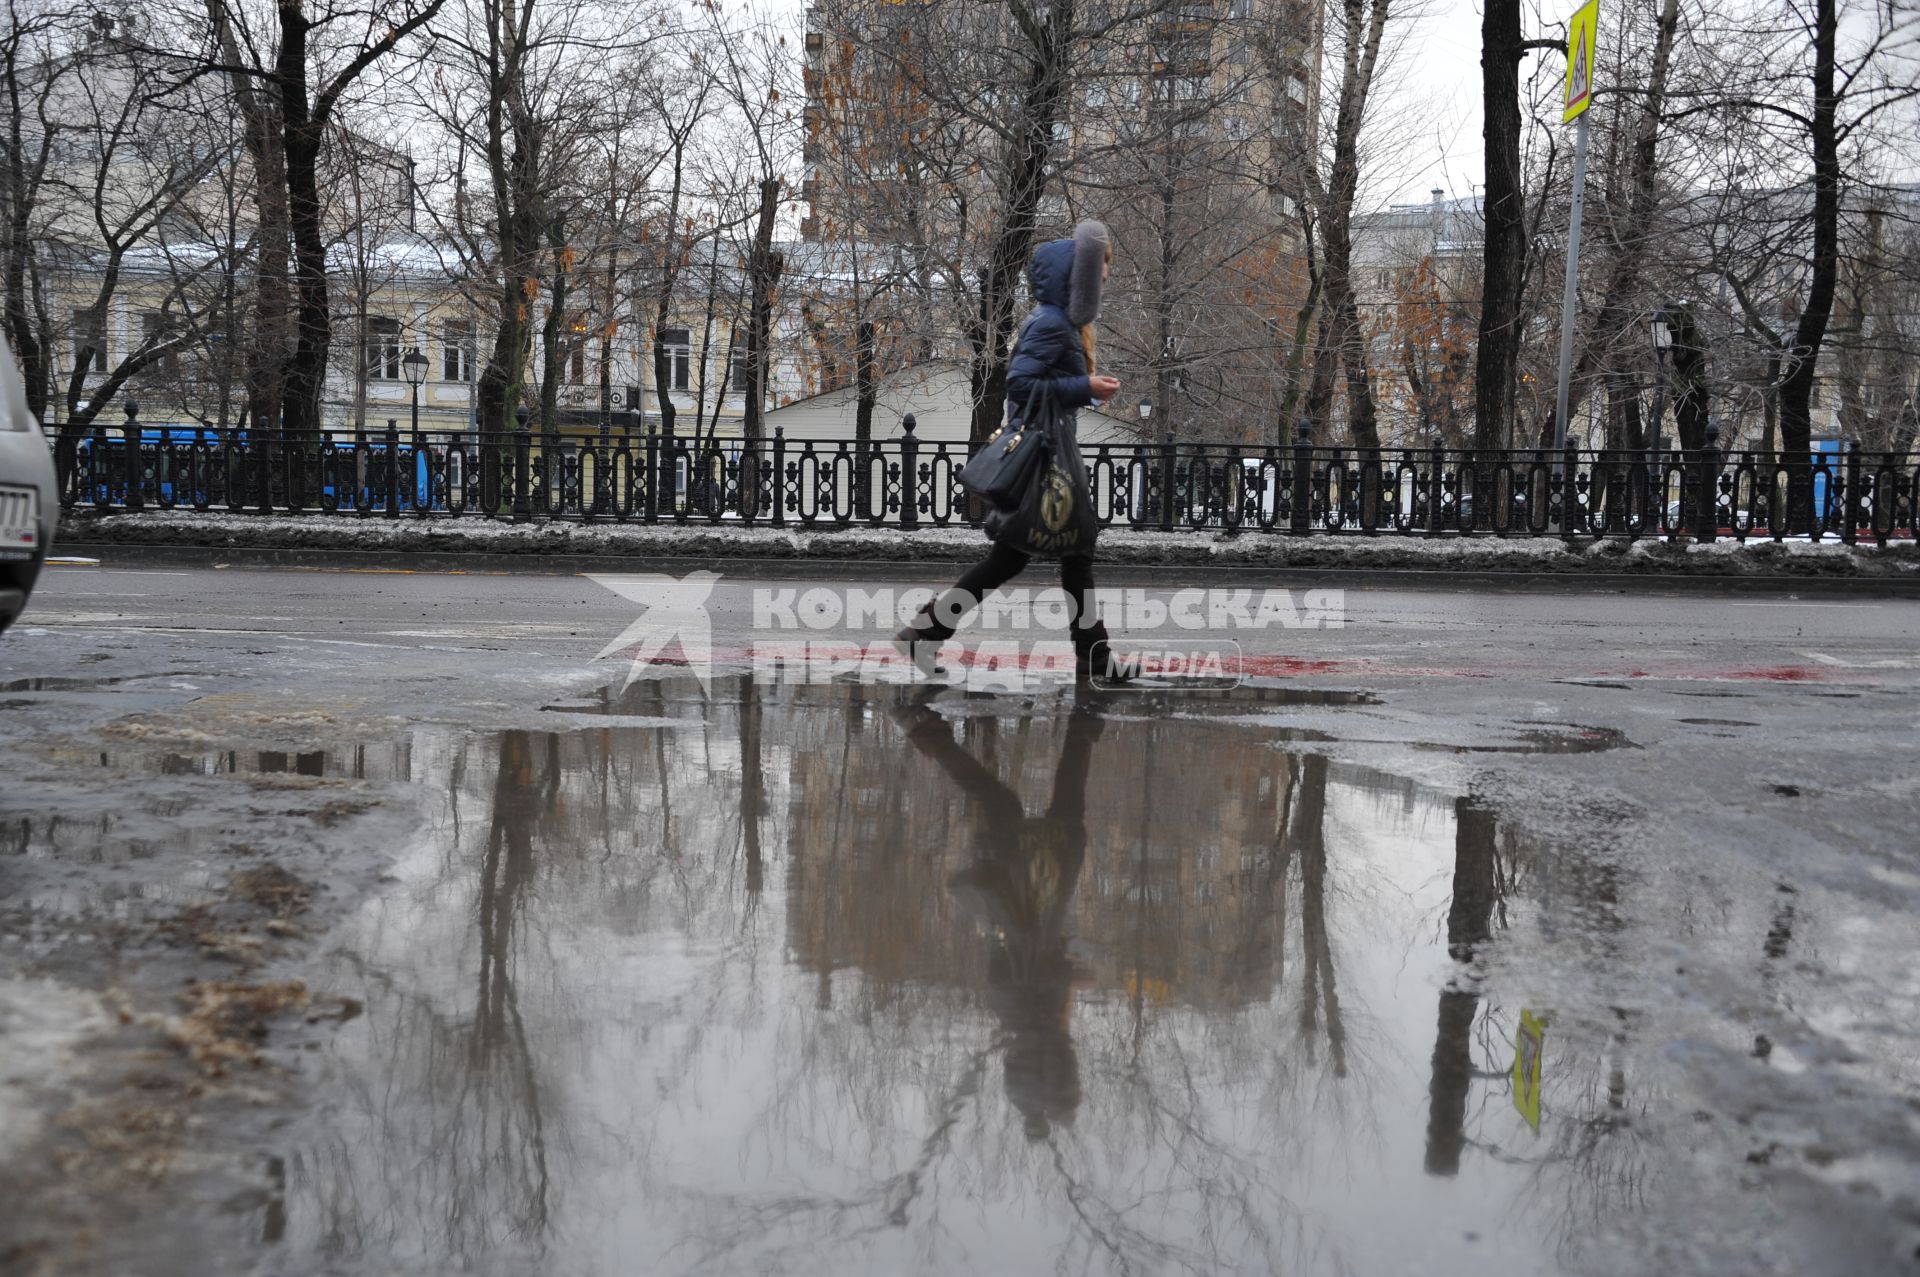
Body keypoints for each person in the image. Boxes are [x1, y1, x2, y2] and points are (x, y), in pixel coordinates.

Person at [895, 220, 1130, 681]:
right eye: (1101, 268)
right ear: (1076, 277)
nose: (1106, 277)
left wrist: (1083, 389)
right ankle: (1095, 660)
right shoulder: (1051, 322)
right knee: (1066, 555)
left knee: (1027, 558)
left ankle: (927, 633)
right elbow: (1020, 382)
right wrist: (1083, 385)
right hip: (1046, 458)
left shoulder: (1061, 322)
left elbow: (1038, 384)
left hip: (1051, 453)